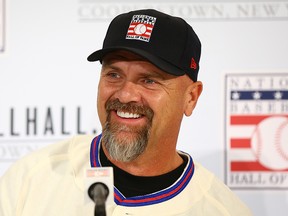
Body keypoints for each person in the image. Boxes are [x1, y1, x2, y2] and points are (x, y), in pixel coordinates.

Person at [0, 9, 253, 216]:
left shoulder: (223, 210)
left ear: (191, 97)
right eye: (114, 74)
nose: (125, 94)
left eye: (150, 80)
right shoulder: (30, 179)